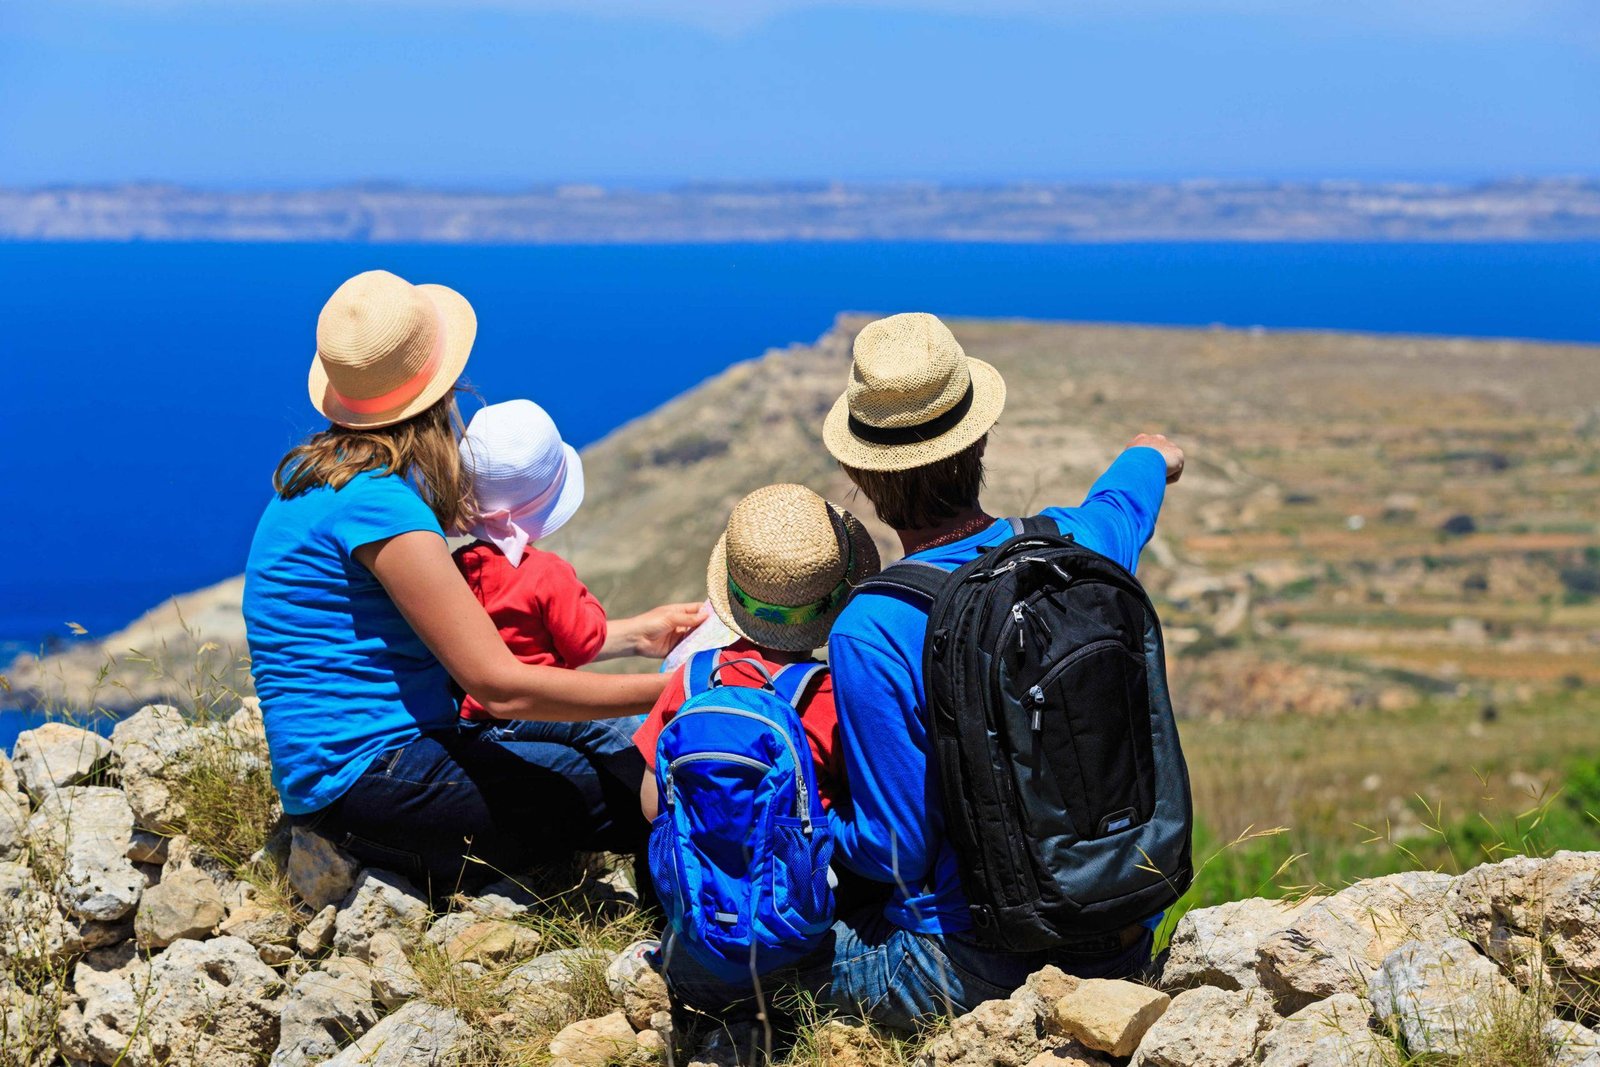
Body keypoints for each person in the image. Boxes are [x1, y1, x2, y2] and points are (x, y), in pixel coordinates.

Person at [662, 312, 1185, 1032]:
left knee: (704, 964)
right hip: (1123, 926)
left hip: (969, 963)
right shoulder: (1078, 546)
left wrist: (807, 823)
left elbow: (894, 848)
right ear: (979, 437)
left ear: (858, 472)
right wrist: (1152, 453)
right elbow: (1128, 496)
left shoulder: (873, 625)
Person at [242, 269, 703, 897]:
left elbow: (467, 646)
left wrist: (631, 636)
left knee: (617, 760)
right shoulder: (381, 507)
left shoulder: (329, 484)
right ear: (442, 392)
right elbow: (499, 685)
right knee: (641, 786)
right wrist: (673, 690)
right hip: (369, 784)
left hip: (358, 774)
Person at [633, 483, 882, 821]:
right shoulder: (826, 697)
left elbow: (652, 804)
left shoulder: (690, 679)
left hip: (693, 871)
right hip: (803, 871)